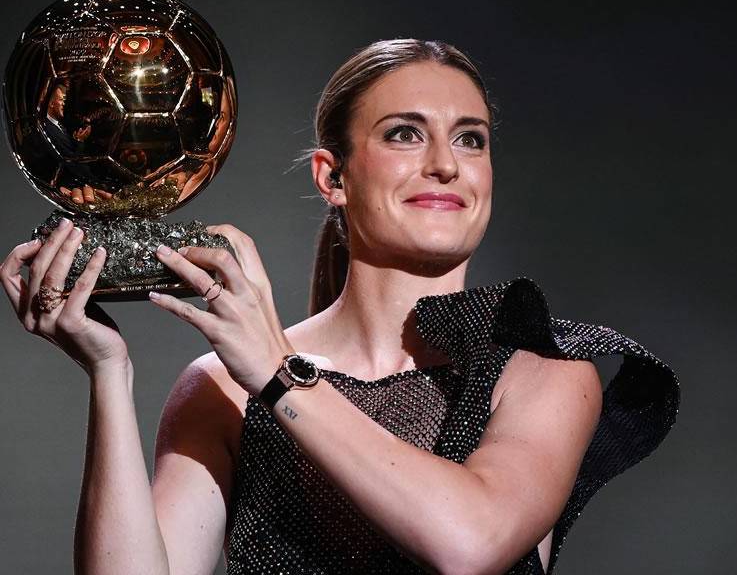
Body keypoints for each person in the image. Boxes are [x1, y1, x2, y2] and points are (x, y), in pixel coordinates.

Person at [0, 39, 679, 574]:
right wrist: (107, 375)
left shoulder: (548, 370)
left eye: (471, 138)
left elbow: (470, 544)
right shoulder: (220, 390)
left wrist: (277, 370)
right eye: (406, 134)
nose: (447, 163)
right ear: (334, 177)